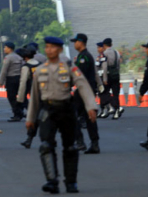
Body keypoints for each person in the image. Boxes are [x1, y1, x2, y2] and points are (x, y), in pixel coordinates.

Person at [26, 37, 98, 194]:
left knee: (70, 147)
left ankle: (71, 182)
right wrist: (30, 118)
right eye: (47, 47)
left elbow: (83, 85)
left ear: (59, 49)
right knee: (46, 146)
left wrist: (91, 107)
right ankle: (52, 181)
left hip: (66, 109)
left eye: (53, 47)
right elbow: (35, 96)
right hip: (48, 110)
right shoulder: (40, 70)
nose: (49, 50)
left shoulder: (69, 67)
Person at [70, 33, 103, 154]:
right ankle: (94, 144)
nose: (74, 44)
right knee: (90, 118)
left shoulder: (84, 57)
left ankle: (80, 141)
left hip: (84, 90)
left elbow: (79, 75)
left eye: (75, 42)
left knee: (73, 116)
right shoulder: (84, 56)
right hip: (87, 90)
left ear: (81, 42)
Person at [17, 48, 40, 148]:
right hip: (46, 93)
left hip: (35, 94)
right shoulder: (40, 64)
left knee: (35, 118)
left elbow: (23, 83)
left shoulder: (26, 67)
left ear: (25, 57)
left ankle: (29, 139)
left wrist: (20, 98)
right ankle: (29, 140)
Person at [0, 42, 24, 122]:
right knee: (18, 97)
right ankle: (19, 113)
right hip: (19, 78)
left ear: (9, 48)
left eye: (5, 47)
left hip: (11, 79)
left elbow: (4, 71)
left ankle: (17, 114)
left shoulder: (8, 58)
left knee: (11, 97)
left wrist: (0, 82)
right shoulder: (19, 57)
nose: (4, 49)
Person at [102, 38, 124, 119]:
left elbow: (104, 67)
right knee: (116, 94)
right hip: (116, 75)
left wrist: (104, 79)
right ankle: (117, 110)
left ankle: (113, 107)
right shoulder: (117, 52)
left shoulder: (104, 53)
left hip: (108, 75)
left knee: (105, 93)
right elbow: (118, 65)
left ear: (104, 45)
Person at [95, 42, 112, 118]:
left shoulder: (103, 56)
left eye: (99, 47)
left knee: (103, 94)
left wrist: (104, 79)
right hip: (99, 77)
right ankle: (103, 110)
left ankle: (110, 107)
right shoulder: (99, 56)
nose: (98, 49)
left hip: (102, 77)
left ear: (103, 48)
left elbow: (104, 68)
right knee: (101, 94)